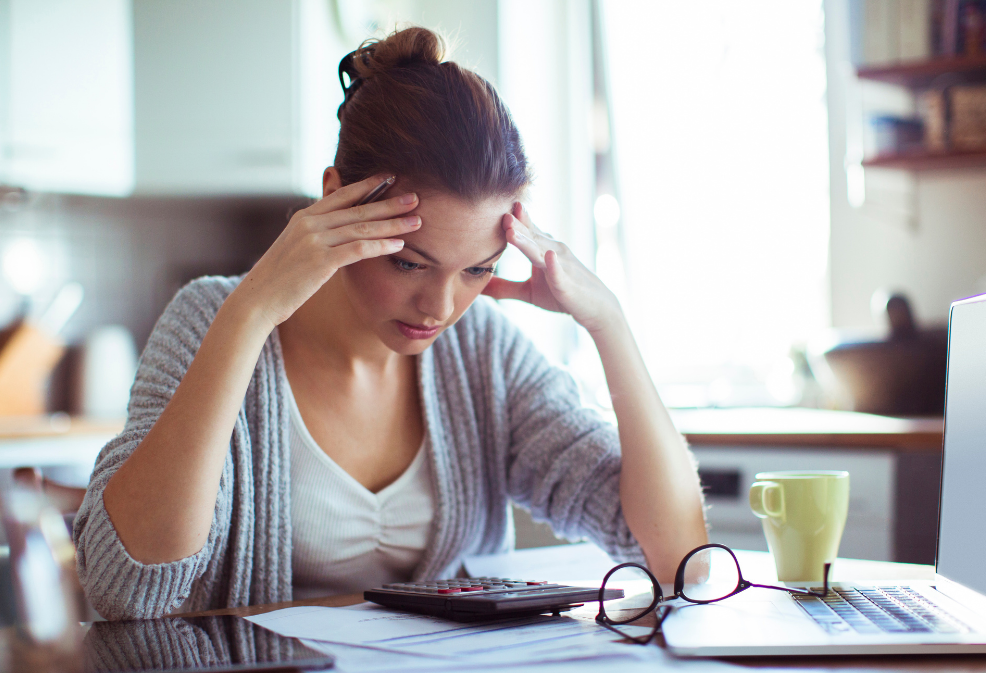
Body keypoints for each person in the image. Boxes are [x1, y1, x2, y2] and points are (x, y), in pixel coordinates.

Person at [73, 27, 707, 620]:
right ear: (334, 199)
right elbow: (127, 591)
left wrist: (610, 325)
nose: (439, 308)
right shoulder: (213, 318)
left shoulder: (482, 353)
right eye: (409, 262)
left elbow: (678, 559)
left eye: (477, 271)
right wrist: (253, 311)